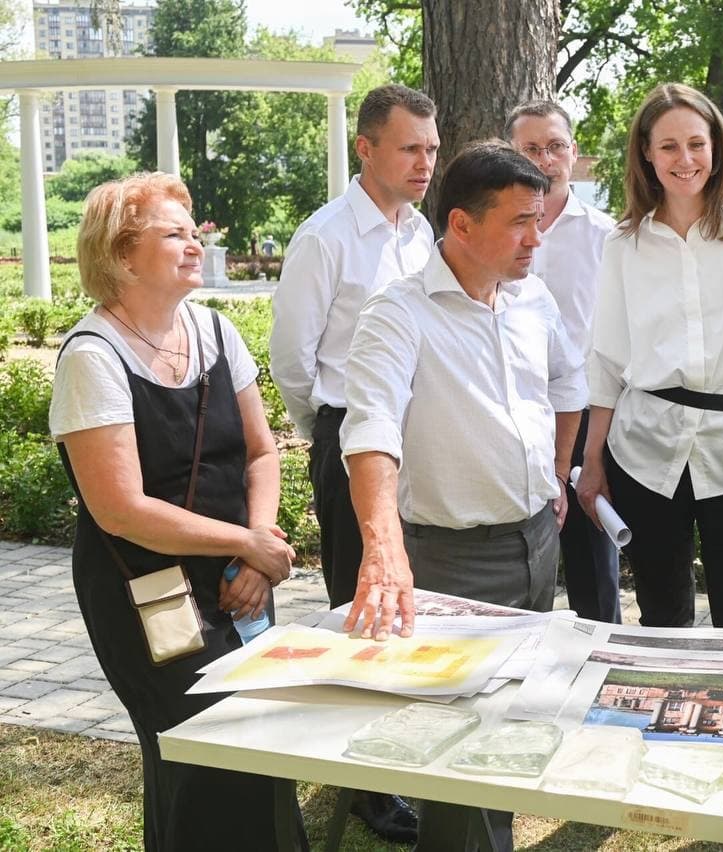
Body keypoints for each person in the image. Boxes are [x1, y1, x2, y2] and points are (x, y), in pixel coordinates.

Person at [340, 142, 586, 852]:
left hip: (537, 541)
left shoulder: (530, 296)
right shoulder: (398, 315)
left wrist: (558, 473)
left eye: (538, 220)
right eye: (519, 223)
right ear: (461, 225)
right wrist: (383, 550)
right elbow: (372, 431)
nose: (536, 239)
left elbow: (569, 383)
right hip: (451, 560)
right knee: (458, 749)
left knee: (506, 734)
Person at [50, 173, 304, 850]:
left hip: (239, 578)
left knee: (267, 734)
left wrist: (255, 553)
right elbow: (123, 511)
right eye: (174, 234)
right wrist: (248, 543)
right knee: (203, 755)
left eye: (194, 233)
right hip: (146, 593)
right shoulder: (92, 356)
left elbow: (260, 454)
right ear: (122, 255)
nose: (195, 245)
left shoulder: (217, 331)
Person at [576, 82, 723, 630]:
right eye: (667, 147)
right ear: (645, 154)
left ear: (717, 147)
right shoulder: (623, 243)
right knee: (661, 613)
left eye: (696, 144)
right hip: (645, 447)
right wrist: (591, 464)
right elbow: (607, 361)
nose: (684, 160)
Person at [268, 82, 438, 844]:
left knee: (412, 604)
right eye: (411, 148)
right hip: (348, 440)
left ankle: (408, 758)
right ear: (366, 148)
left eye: (432, 149)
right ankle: (366, 785)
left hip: (415, 440)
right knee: (361, 608)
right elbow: (292, 360)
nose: (425, 162)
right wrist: (328, 433)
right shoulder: (325, 238)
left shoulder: (420, 230)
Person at [506, 99, 621, 624]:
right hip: (511, 418)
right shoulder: (487, 235)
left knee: (594, 570)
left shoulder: (608, 238)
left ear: (573, 154)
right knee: (514, 568)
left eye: (555, 146)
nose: (544, 159)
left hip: (587, 421)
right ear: (511, 153)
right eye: (530, 148)